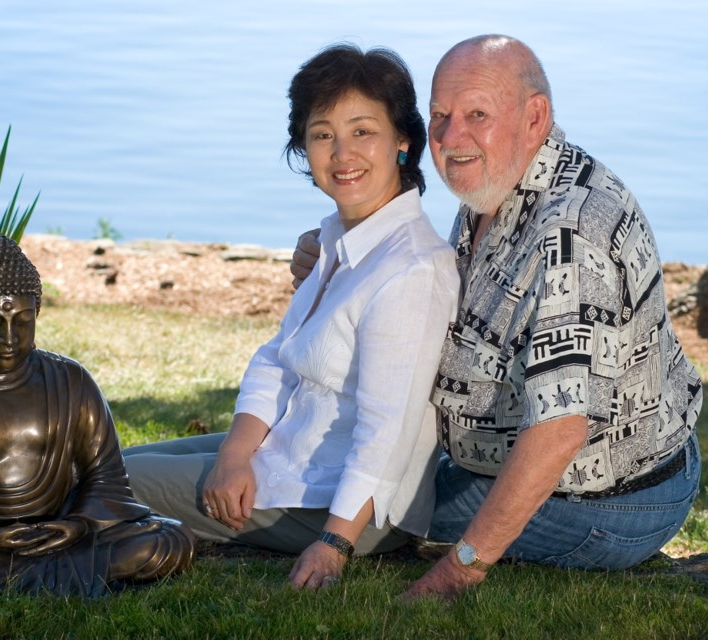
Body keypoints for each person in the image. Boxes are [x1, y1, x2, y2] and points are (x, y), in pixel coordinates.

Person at [290, 34, 704, 600]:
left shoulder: (571, 234)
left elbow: (559, 432)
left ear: (535, 117)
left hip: (610, 500)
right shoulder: (500, 185)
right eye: (440, 116)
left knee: (375, 510)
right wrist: (340, 258)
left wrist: (457, 569)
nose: (451, 138)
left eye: (477, 115)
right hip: (513, 465)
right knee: (350, 476)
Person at [123, 43, 459, 591]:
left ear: (403, 141)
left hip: (342, 504)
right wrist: (235, 453)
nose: (342, 152)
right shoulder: (336, 238)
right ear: (303, 147)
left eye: (363, 131)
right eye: (323, 133)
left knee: (95, 480)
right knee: (107, 459)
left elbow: (388, 431)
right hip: (289, 452)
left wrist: (332, 545)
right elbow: (279, 358)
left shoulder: (411, 270)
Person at [0, 234, 195, 598]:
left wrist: (77, 524)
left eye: (22, 320)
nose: (9, 336)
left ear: (37, 314)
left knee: (168, 539)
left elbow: (106, 477)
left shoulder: (71, 381)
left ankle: (9, 583)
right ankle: (53, 579)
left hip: (61, 535)